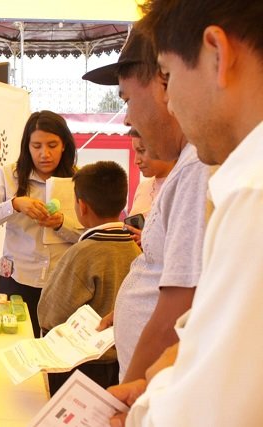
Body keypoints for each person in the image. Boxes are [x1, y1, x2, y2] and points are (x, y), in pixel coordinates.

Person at [107, 1, 263, 425]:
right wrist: (164, 380)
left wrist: (145, 411)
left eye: (170, 77)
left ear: (217, 53)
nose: (170, 101)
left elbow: (215, 410)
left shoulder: (252, 192)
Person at [82, 23, 211, 383]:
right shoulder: (189, 165)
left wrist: (128, 395)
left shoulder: (196, 168)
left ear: (164, 79)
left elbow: (178, 306)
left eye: (126, 99)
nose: (126, 118)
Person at [0, 110, 82, 338]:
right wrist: (13, 204)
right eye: (37, 146)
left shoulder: (78, 179)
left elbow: (89, 235)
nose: (45, 154)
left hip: (62, 282)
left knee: (58, 351)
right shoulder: (8, 175)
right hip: (17, 279)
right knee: (17, 344)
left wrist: (61, 223)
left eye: (52, 145)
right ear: (27, 146)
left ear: (64, 145)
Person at [38, 161, 141, 394]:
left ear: (81, 206)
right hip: (123, 361)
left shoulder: (83, 253)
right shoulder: (136, 248)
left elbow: (49, 313)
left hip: (82, 367)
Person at [126, 134, 176, 246]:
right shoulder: (143, 187)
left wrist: (149, 241)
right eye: (135, 152)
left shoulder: (182, 186)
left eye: (142, 151)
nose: (136, 161)